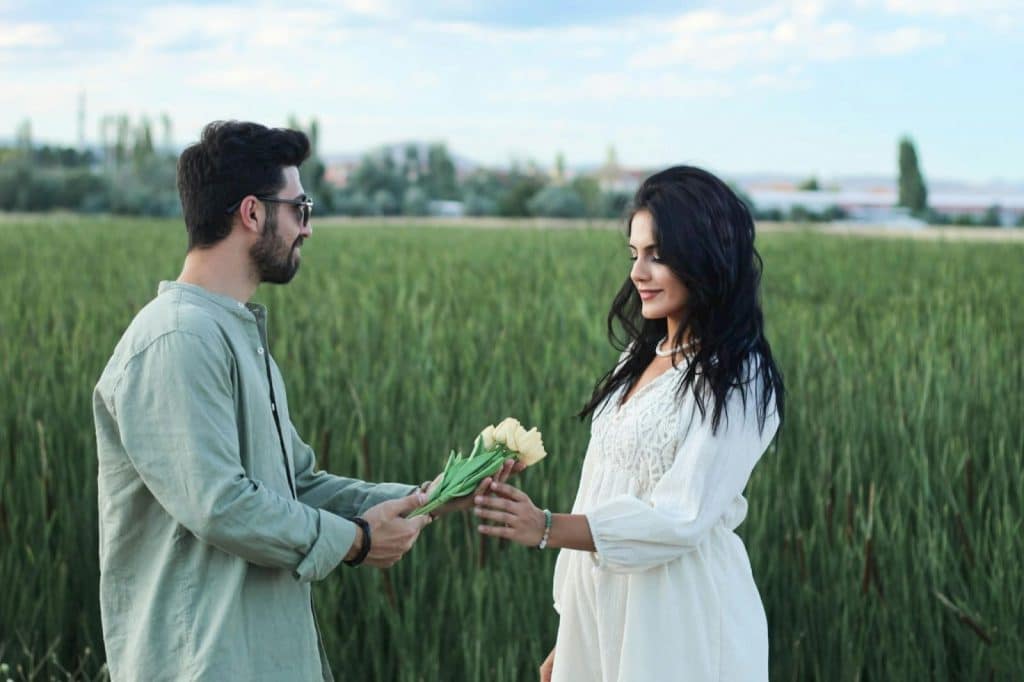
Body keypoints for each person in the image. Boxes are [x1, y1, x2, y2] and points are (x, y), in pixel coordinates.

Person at [92, 120, 511, 681]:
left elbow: (297, 486)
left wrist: (425, 498)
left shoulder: (236, 335)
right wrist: (357, 542)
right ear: (253, 213)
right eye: (301, 208)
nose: (308, 229)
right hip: (201, 664)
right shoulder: (179, 339)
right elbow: (221, 504)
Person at [473, 166, 786, 681]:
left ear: (705, 255)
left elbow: (680, 517)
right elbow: (597, 488)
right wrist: (569, 634)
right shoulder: (638, 360)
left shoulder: (737, 376)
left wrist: (547, 527)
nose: (638, 272)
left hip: (679, 618)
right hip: (604, 611)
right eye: (634, 254)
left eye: (657, 255)